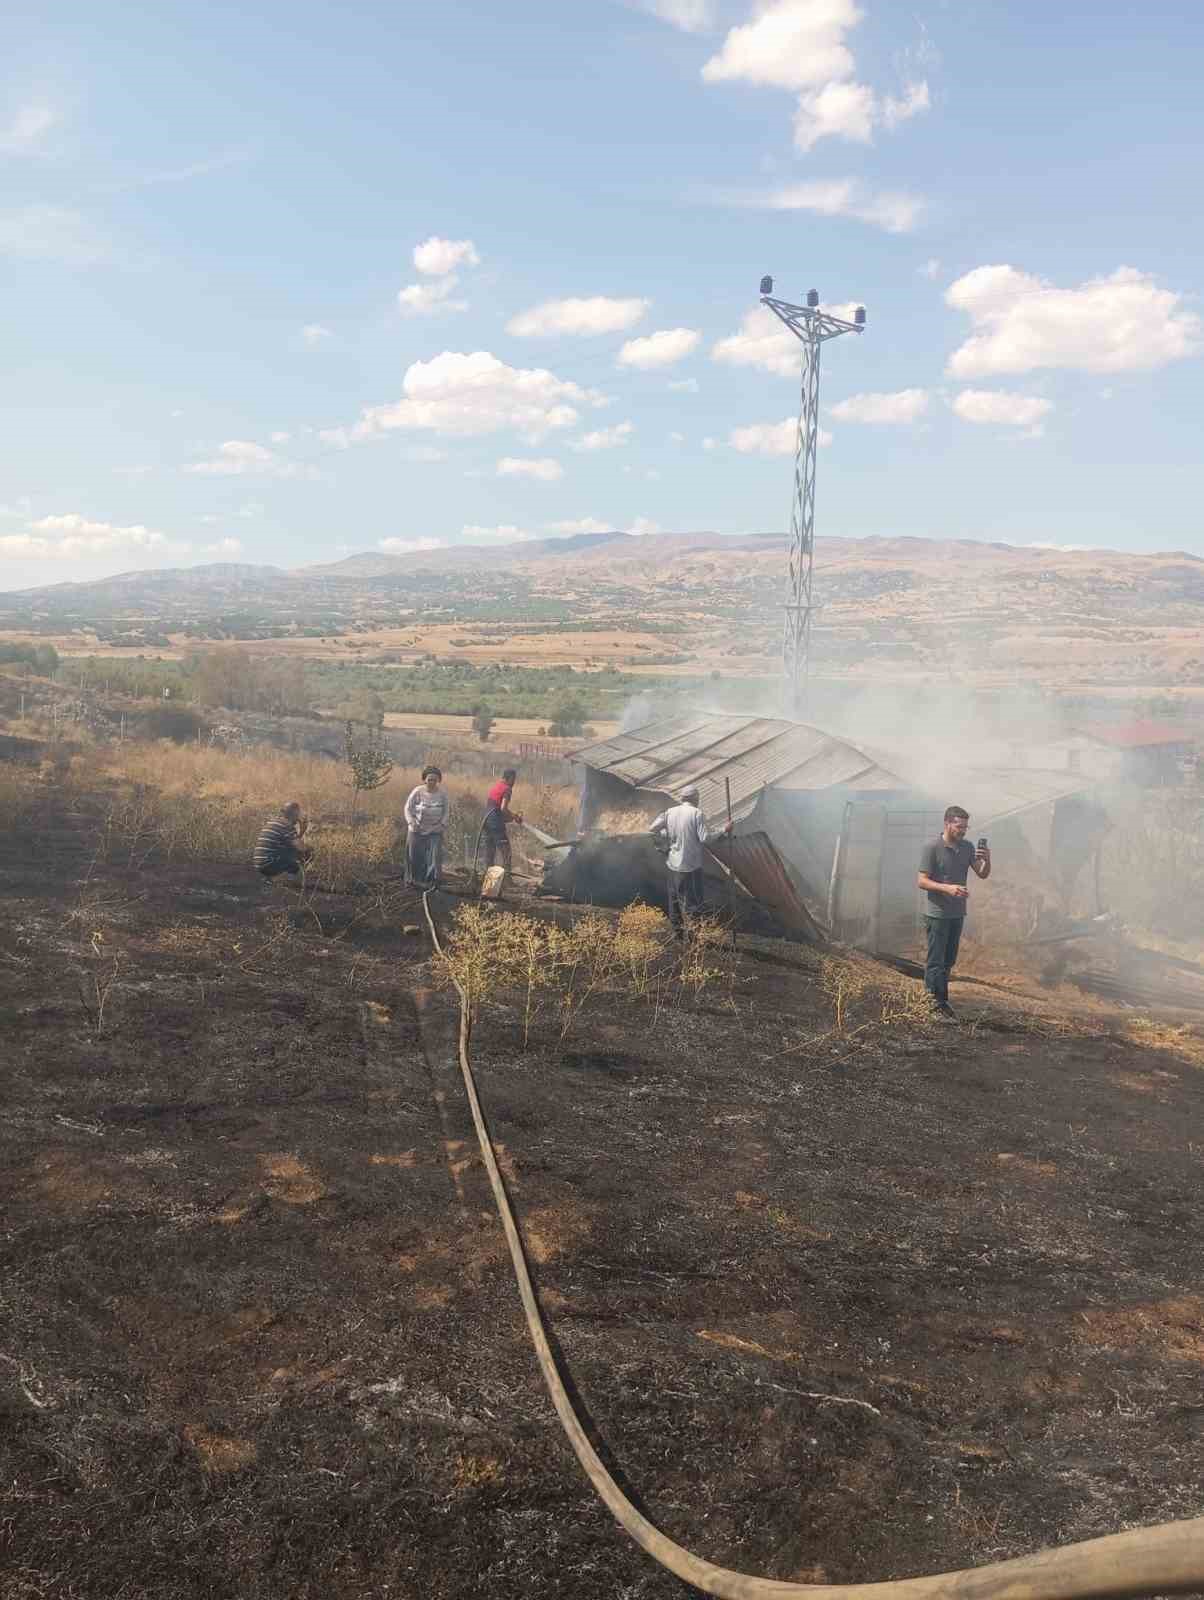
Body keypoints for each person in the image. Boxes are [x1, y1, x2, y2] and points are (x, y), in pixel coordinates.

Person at [917, 805, 991, 1018]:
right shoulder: (931, 847)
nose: (963, 831)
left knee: (948, 960)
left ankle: (943, 1002)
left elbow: (982, 873)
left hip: (957, 913)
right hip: (937, 913)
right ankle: (930, 1004)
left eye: (966, 827)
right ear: (947, 823)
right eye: (959, 826)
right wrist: (947, 888)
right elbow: (921, 881)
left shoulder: (967, 847)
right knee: (935, 961)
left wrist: (988, 857)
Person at [648, 784, 731, 940]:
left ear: (682, 798)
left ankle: (677, 934)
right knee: (692, 903)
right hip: (690, 867)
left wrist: (663, 846)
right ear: (696, 799)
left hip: (672, 864)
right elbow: (705, 838)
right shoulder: (697, 814)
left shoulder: (669, 812)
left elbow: (652, 829)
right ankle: (694, 938)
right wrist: (724, 831)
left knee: (674, 901)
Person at [404, 765, 448, 888]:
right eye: (429, 779)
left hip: (435, 829)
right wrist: (411, 821)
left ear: (438, 780)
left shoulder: (442, 794)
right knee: (414, 855)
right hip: (417, 828)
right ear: (424, 780)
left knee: (435, 856)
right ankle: (412, 881)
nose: (432, 782)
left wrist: (442, 824)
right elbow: (407, 808)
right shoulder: (417, 791)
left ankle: (431, 882)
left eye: (434, 780)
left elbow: (446, 811)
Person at [482, 767, 523, 890]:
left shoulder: (497, 786)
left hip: (486, 821)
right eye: (514, 779)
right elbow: (503, 808)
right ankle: (507, 880)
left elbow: (495, 808)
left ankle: (487, 878)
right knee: (506, 852)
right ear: (510, 778)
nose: (514, 782)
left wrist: (510, 819)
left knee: (490, 851)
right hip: (495, 823)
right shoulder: (507, 789)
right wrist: (515, 817)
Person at [253, 801, 312, 880]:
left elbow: (292, 844)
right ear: (295, 815)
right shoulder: (287, 826)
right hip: (269, 864)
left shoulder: (274, 822)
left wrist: (301, 831)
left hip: (260, 863)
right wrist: (303, 829)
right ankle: (288, 880)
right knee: (308, 851)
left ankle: (272, 878)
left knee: (292, 850)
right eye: (299, 813)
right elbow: (301, 848)